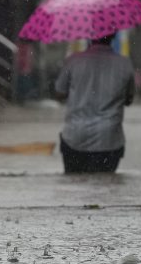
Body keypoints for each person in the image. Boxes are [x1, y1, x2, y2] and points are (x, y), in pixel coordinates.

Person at [53, 33, 135, 173]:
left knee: (73, 188)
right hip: (109, 139)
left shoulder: (73, 60)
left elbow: (59, 93)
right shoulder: (125, 63)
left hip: (75, 137)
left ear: (90, 36)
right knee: (106, 189)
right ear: (113, 36)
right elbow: (129, 99)